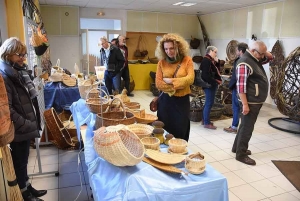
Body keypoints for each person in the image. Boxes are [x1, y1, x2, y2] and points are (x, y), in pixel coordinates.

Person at [0, 37, 47, 201]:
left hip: (26, 127)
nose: (22, 58)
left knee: (23, 161)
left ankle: (27, 186)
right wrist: (26, 123)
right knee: (19, 163)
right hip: (20, 128)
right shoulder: (5, 76)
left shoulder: (19, 72)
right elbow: (8, 109)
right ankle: (24, 194)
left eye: (24, 55)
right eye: (19, 55)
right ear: (8, 54)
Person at [231, 40, 273, 166]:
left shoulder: (254, 58)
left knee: (244, 125)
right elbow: (241, 87)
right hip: (249, 102)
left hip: (253, 101)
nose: (262, 56)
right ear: (254, 51)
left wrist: (265, 52)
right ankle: (241, 154)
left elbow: (270, 57)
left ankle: (236, 148)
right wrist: (245, 104)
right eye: (261, 53)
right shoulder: (245, 62)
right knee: (247, 128)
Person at [155, 33, 194, 141]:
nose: (169, 51)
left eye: (172, 48)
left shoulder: (187, 60)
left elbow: (190, 79)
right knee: (165, 128)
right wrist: (178, 86)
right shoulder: (161, 63)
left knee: (181, 128)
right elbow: (158, 83)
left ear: (178, 47)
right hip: (165, 101)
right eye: (166, 49)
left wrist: (171, 81)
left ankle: (179, 152)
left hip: (182, 102)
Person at [224, 42, 248, 133]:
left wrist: (230, 85)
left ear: (240, 51)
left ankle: (234, 127)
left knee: (236, 108)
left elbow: (236, 76)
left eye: (237, 50)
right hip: (246, 89)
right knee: (242, 108)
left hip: (238, 88)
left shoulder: (240, 61)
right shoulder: (249, 60)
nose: (236, 51)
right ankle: (242, 128)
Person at [200, 46, 222, 129]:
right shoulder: (206, 60)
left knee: (208, 103)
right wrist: (215, 81)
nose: (216, 54)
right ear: (210, 51)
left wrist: (217, 62)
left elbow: (215, 71)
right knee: (209, 103)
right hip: (209, 85)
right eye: (215, 52)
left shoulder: (210, 60)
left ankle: (204, 119)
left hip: (210, 84)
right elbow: (205, 75)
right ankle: (206, 122)